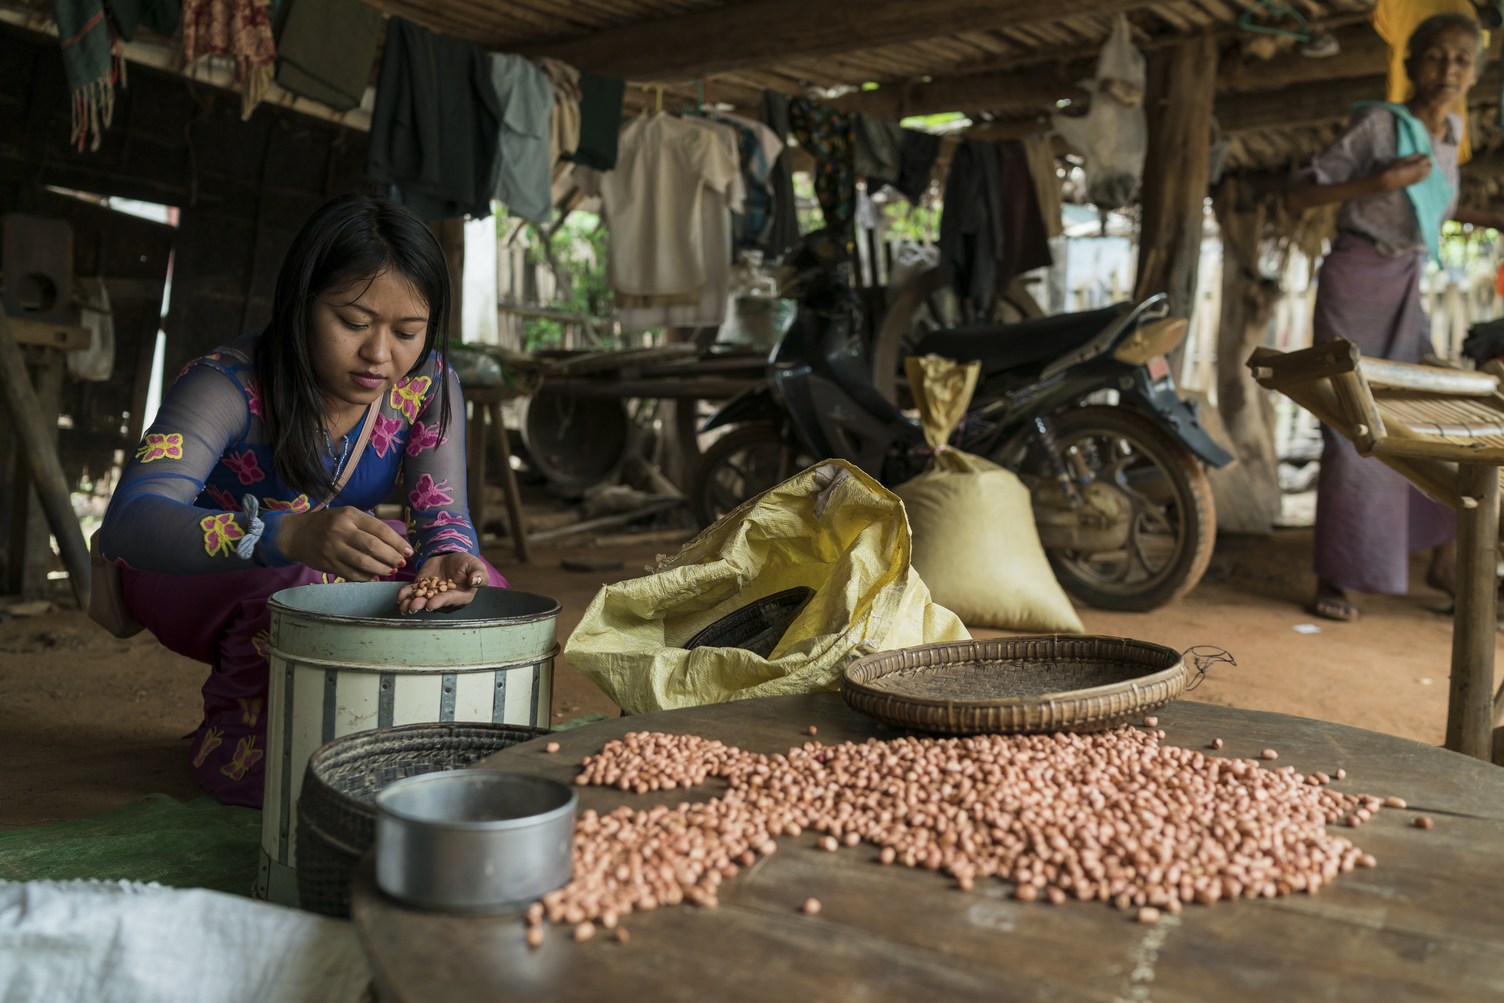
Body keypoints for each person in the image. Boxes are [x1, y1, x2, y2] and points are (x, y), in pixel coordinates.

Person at [99, 193, 505, 807]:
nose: (380, 354)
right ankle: (248, 748)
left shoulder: (428, 385)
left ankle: (393, 739)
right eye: (353, 322)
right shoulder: (227, 384)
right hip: (183, 573)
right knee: (297, 578)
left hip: (316, 561)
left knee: (485, 592)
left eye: (407, 332)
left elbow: (442, 516)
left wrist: (449, 554)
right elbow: (132, 522)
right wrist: (282, 534)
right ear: (301, 304)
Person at [1284, 12, 1504, 622]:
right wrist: (1380, 178)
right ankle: (1337, 574)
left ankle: (1440, 562)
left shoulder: (1450, 131)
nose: (1449, 70)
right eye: (1436, 56)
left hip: (1408, 283)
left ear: (1477, 73)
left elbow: (1426, 213)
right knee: (1347, 419)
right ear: (1410, 65)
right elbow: (1298, 193)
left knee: (1421, 418)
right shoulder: (1380, 124)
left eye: (1463, 60)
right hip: (1355, 279)